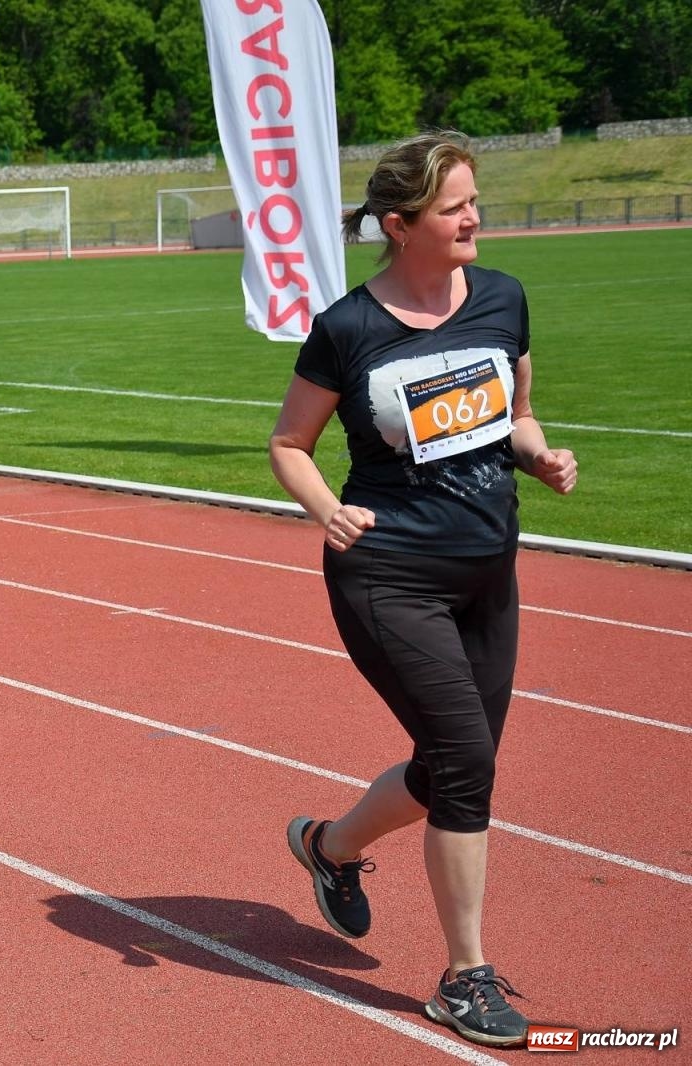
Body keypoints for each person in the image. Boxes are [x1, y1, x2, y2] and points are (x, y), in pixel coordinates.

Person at [267, 131, 578, 1049]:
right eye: (455, 208)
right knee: (467, 762)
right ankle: (464, 978)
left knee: (452, 765)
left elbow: (518, 415)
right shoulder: (349, 328)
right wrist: (328, 509)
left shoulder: (503, 298)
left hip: (488, 571)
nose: (475, 218)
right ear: (401, 226)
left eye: (475, 201)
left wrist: (541, 456)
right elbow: (289, 443)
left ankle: (329, 847)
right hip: (389, 573)